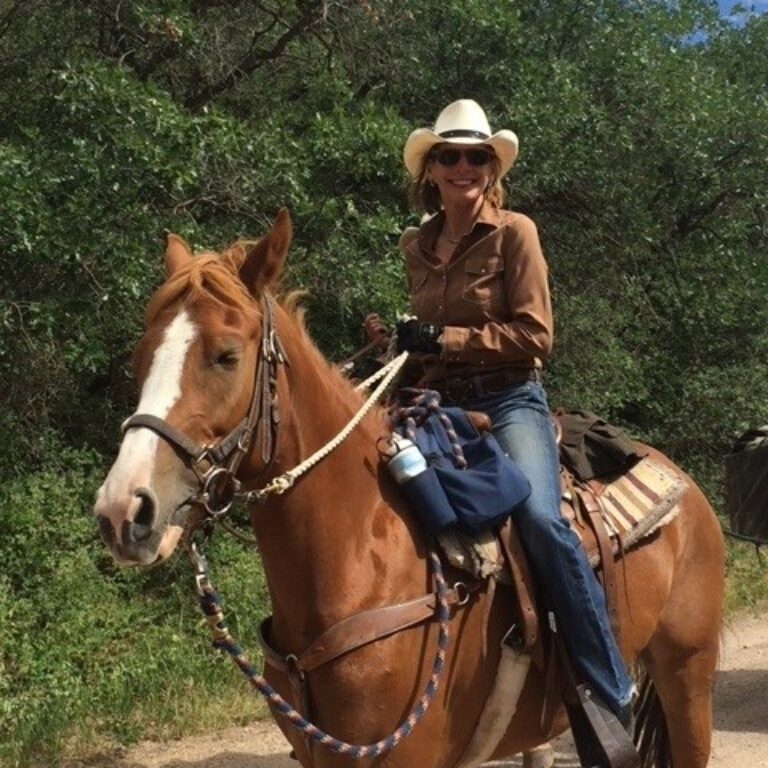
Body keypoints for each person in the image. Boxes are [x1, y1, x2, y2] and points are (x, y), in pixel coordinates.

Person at [365, 99, 636, 767]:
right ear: (430, 170)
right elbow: (427, 345)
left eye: (476, 156)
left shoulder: (516, 232)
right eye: (450, 155)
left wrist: (443, 336)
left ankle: (607, 691)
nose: (464, 166)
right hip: (433, 400)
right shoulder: (416, 244)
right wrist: (397, 347)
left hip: (511, 398)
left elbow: (536, 334)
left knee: (540, 520)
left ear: (491, 167)